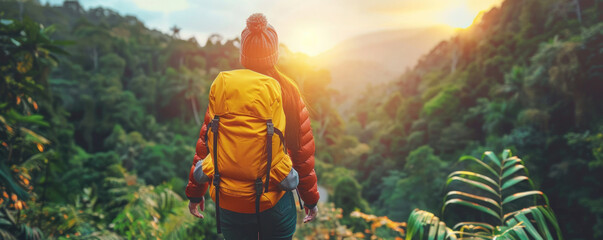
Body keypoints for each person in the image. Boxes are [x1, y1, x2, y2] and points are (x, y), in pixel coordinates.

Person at [185, 13, 320, 239]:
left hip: (229, 200)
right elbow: (301, 153)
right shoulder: (287, 91)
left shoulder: (225, 89)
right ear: (274, 54)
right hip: (273, 200)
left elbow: (206, 146)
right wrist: (310, 200)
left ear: (243, 54)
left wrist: (194, 192)